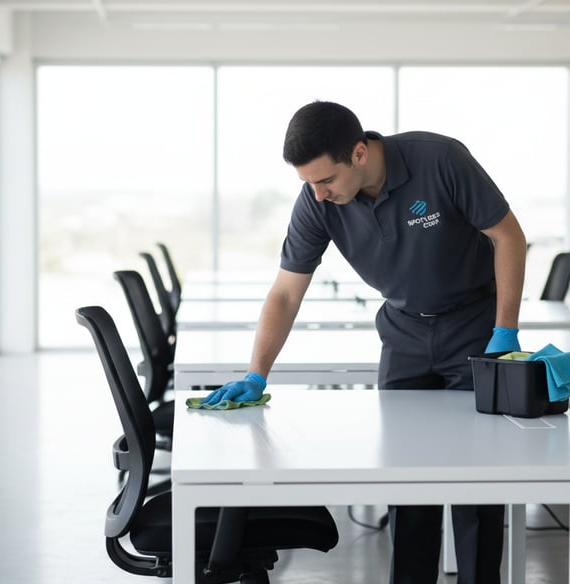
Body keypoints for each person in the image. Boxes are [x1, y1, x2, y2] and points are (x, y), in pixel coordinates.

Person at [201, 100, 527, 584]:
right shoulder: (318, 202)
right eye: (308, 183)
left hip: (475, 328)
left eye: (325, 180)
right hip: (403, 333)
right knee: (406, 476)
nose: (318, 194)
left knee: (477, 482)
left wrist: (505, 332)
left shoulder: (440, 159)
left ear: (358, 153)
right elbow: (287, 292)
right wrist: (257, 373)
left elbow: (509, 237)